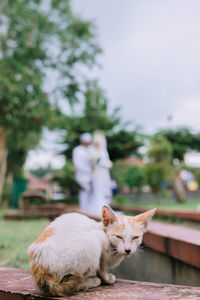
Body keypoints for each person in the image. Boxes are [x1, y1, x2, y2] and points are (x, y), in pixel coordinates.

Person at [88, 131, 113, 215]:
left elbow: (107, 160)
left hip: (104, 173)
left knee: (105, 189)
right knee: (97, 190)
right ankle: (98, 208)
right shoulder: (92, 150)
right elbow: (93, 162)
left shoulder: (103, 151)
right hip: (96, 173)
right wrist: (102, 164)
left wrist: (108, 164)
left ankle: (105, 207)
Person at [72, 133, 92, 211]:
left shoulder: (91, 149)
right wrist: (88, 169)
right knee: (84, 191)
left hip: (92, 175)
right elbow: (77, 164)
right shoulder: (77, 150)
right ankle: (83, 209)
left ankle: (89, 209)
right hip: (82, 175)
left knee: (91, 193)